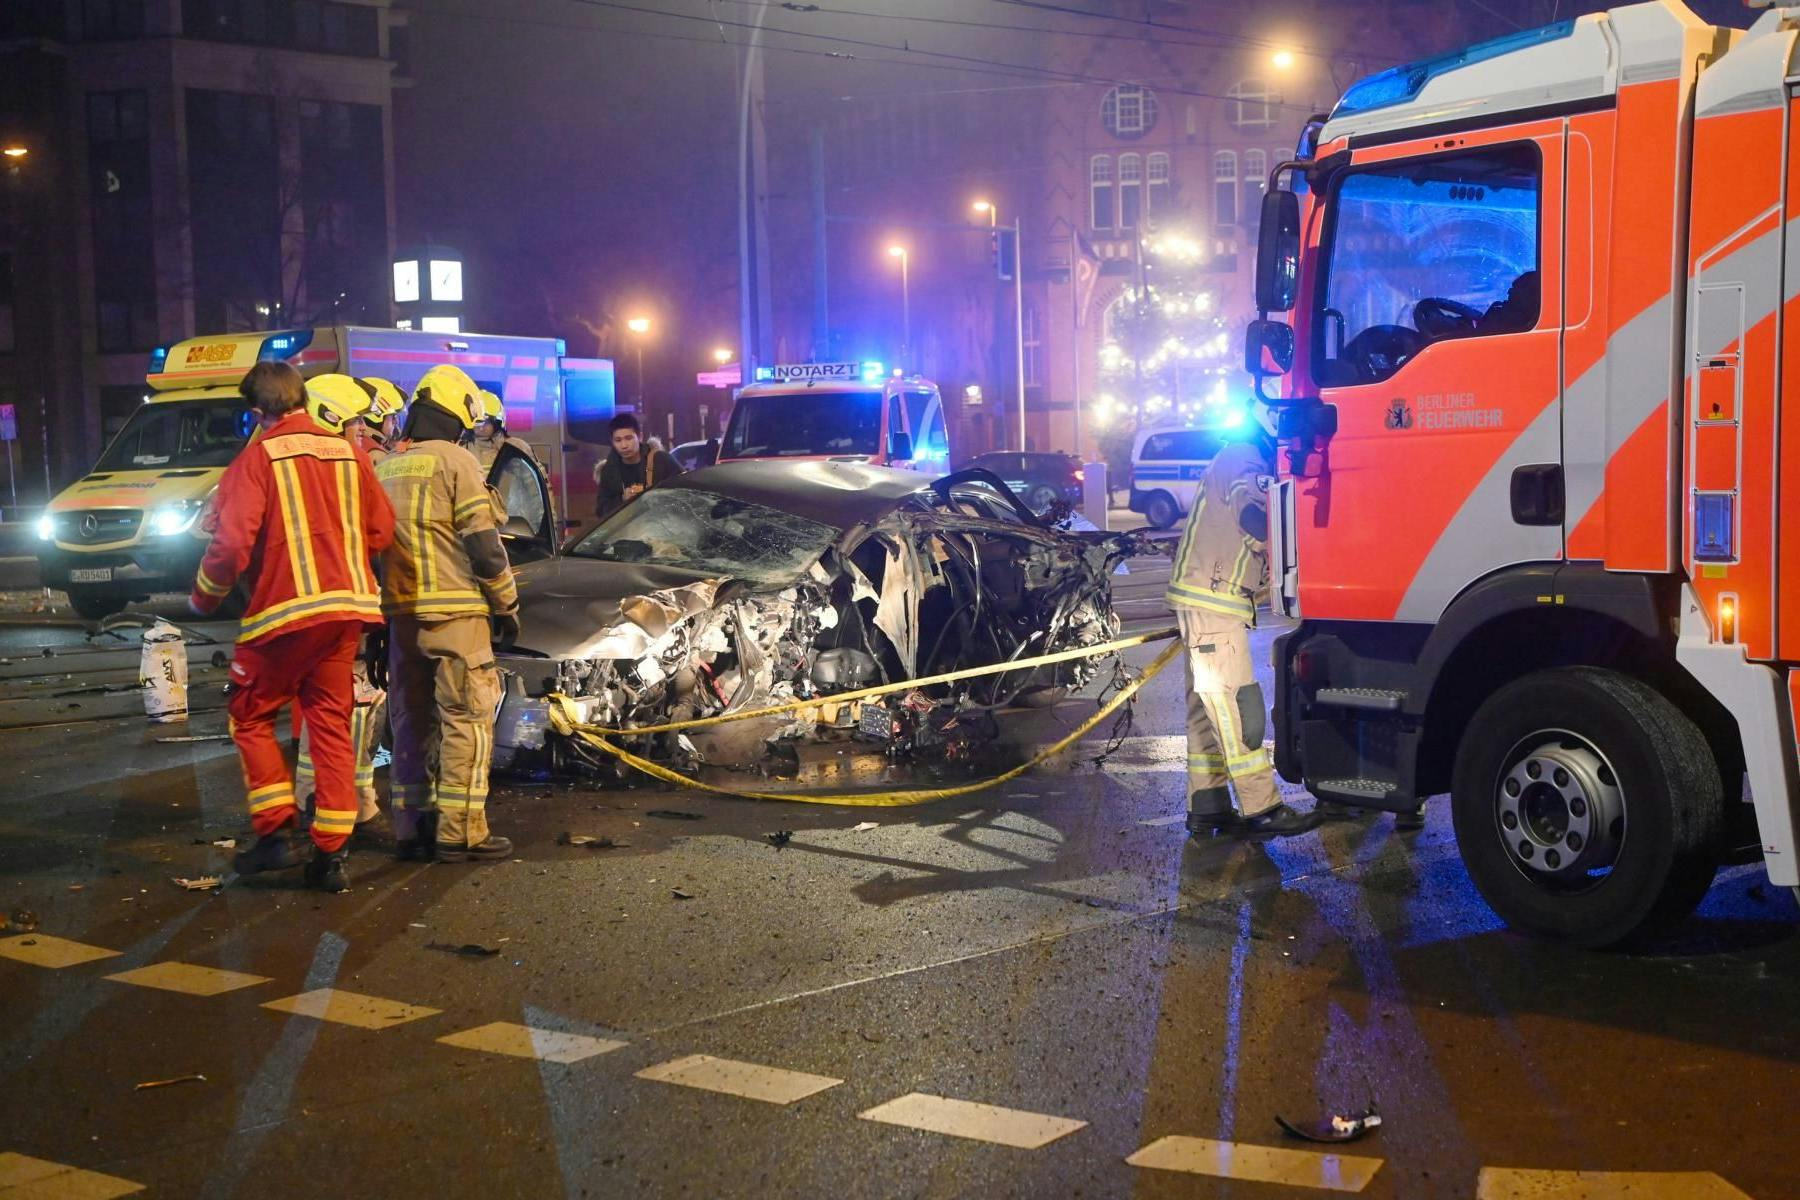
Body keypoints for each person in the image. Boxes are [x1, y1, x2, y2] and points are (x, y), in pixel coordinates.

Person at [190, 362, 394, 892]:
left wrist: (204, 596)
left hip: (281, 616)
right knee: (329, 725)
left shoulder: (256, 459)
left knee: (250, 714)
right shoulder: (350, 454)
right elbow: (380, 529)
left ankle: (277, 833)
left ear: (256, 413)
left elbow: (232, 544)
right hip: (346, 614)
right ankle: (332, 851)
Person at [374, 363, 520, 863]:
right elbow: (484, 546)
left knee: (411, 723)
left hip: (400, 618)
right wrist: (507, 604)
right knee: (467, 721)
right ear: (459, 415)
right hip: (457, 617)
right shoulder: (457, 462)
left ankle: (410, 829)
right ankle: (459, 834)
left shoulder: (385, 465)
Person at [1167, 410, 1318, 838]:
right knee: (1237, 707)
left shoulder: (1238, 455)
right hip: (1213, 602)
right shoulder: (1246, 459)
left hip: (1207, 598)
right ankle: (1262, 807)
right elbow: (1254, 519)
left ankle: (1208, 804)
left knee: (1205, 711)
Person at [292, 375, 392, 841]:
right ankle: (347, 807)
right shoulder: (347, 464)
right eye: (355, 424)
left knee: (334, 709)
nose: (365, 432)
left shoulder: (280, 461)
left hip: (300, 608)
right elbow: (378, 531)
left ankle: (325, 802)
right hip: (340, 605)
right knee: (352, 707)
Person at [595, 412, 682, 520]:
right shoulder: (609, 470)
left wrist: (653, 497)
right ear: (612, 442)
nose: (624, 445)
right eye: (618, 440)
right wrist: (623, 499)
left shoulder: (661, 460)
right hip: (627, 531)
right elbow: (601, 510)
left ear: (640, 436)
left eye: (628, 438)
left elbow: (685, 492)